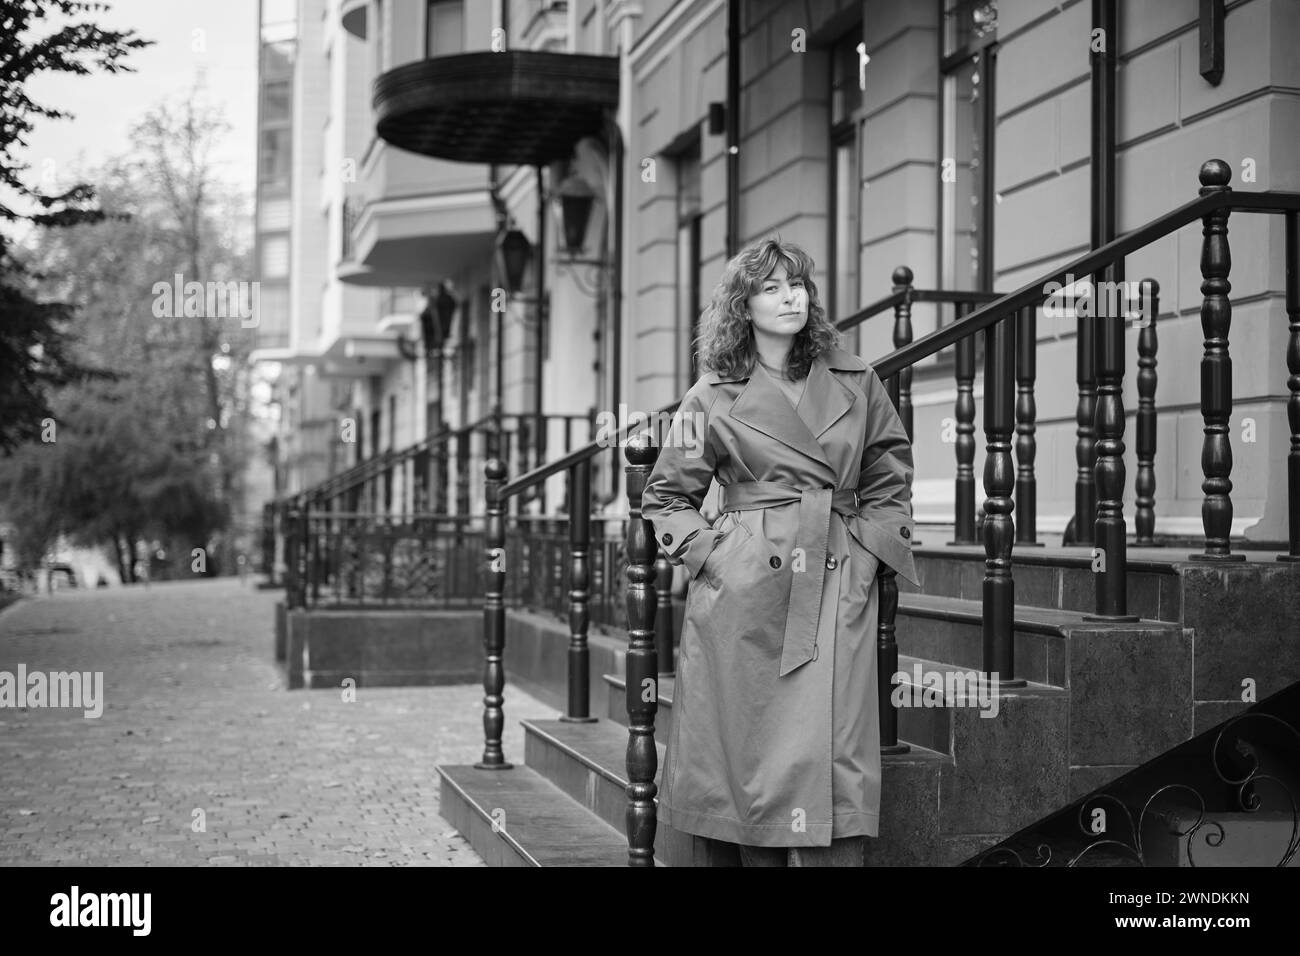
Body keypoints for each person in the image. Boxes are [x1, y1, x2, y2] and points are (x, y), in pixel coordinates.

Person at [639, 236, 920, 867]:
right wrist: (714, 556)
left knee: (835, 746)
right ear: (744, 304)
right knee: (747, 752)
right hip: (748, 589)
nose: (789, 296)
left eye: (797, 284)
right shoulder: (712, 394)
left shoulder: (856, 378)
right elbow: (666, 495)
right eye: (770, 287)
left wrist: (870, 553)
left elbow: (890, 473)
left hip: (835, 575)